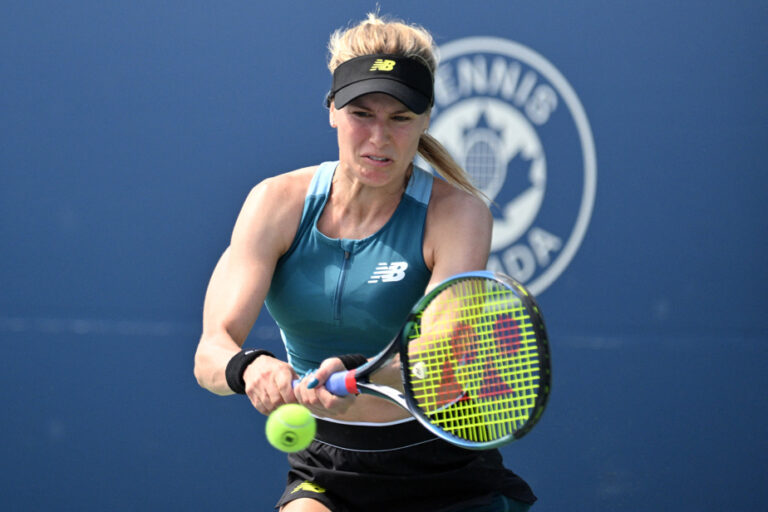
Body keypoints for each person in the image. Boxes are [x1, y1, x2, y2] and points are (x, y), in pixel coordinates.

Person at [194, 12, 536, 512]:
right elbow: (210, 352)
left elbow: (438, 354)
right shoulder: (275, 203)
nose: (379, 139)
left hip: (444, 466)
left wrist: (360, 374)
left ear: (425, 120)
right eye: (362, 115)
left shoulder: (458, 215)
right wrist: (249, 368)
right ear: (332, 109)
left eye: (400, 118)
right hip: (328, 464)